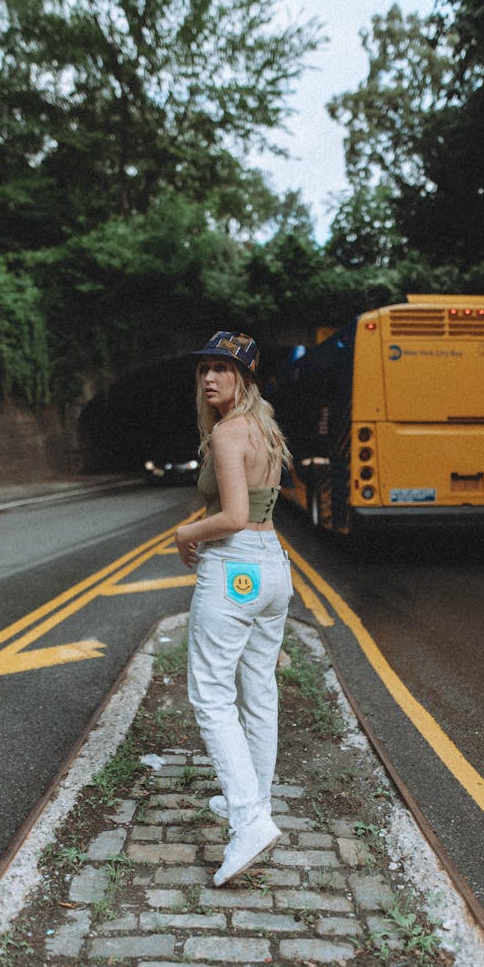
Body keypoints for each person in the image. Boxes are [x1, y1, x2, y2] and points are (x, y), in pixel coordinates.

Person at [175, 331, 293, 886]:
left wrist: (185, 532)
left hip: (236, 567)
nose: (210, 378)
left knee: (211, 694)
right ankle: (258, 801)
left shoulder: (227, 433)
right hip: (273, 568)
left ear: (245, 377)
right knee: (259, 689)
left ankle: (249, 820)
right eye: (205, 368)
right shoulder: (264, 429)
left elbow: (234, 516)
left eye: (224, 369)